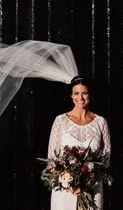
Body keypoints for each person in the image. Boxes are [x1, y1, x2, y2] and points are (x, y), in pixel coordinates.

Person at [47, 76, 111, 209]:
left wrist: (88, 181)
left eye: (85, 93)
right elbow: (52, 158)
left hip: (92, 190)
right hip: (65, 190)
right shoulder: (60, 121)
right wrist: (68, 182)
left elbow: (106, 158)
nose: (80, 98)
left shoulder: (101, 122)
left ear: (90, 94)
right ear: (71, 95)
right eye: (76, 93)